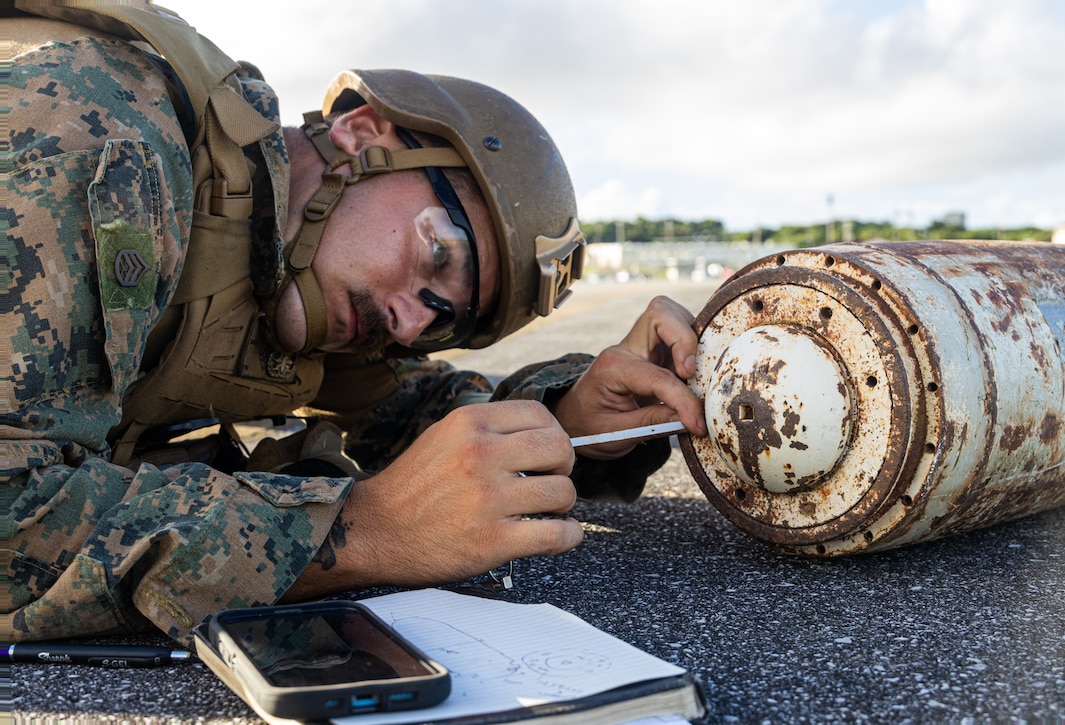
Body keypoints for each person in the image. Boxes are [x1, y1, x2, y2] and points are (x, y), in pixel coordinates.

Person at [3, 3, 706, 646]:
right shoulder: (107, 138)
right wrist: (364, 528)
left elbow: (412, 413)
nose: (404, 319)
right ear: (363, 134)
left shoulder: (283, 261)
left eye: (441, 318)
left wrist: (576, 420)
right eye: (436, 252)